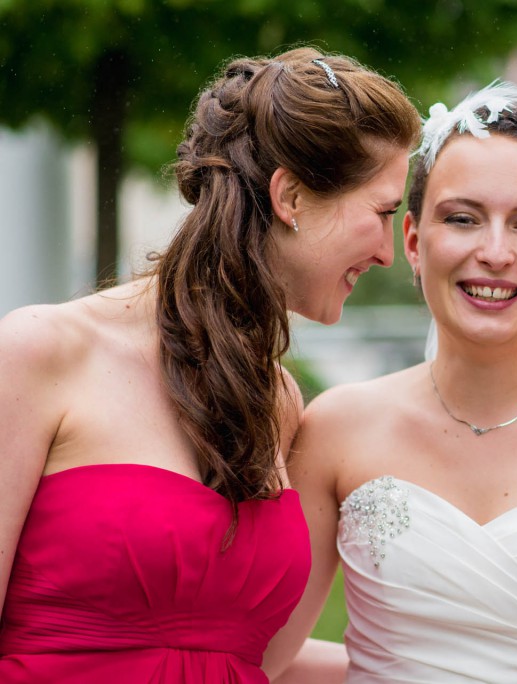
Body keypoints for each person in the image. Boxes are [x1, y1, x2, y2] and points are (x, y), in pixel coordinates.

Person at [0, 47, 420, 683]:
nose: (389, 253)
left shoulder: (275, 402)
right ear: (292, 197)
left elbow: (254, 659)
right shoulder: (41, 354)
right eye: (383, 213)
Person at [266, 82, 517, 682]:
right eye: (462, 219)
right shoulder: (335, 428)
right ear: (413, 241)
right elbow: (265, 657)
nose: (494, 252)